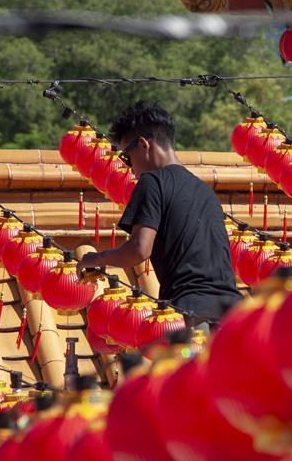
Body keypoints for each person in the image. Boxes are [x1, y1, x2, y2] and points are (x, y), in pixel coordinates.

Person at [76, 101, 242, 326]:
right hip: (233, 316)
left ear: (144, 144)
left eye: (126, 156)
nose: (130, 168)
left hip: (192, 315)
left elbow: (139, 249)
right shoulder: (204, 191)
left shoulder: (152, 182)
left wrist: (97, 259)